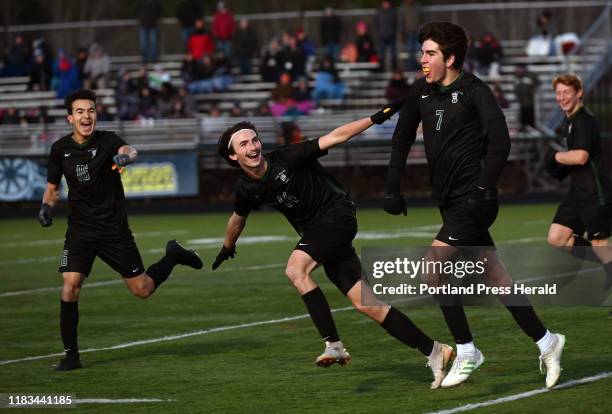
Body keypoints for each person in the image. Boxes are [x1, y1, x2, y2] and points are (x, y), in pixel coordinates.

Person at [211, 103, 456, 389]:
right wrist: (228, 247)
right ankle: (435, 351)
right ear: (233, 155)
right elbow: (237, 219)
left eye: (255, 139)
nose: (253, 146)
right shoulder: (245, 187)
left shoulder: (287, 156)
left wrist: (376, 118)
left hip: (337, 216)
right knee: (368, 305)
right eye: (244, 143)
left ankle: (334, 344)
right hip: (320, 234)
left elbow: (337, 136)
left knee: (295, 269)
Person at [383, 21, 565, 389]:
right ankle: (548, 341)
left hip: (477, 200)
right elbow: (401, 140)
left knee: (433, 270)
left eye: (430, 53)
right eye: (422, 52)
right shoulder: (420, 92)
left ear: (450, 58)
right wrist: (392, 187)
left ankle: (466, 351)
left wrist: (483, 185)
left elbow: (501, 143)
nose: (422, 59)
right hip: (449, 204)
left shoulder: (474, 91)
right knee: (496, 278)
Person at [38, 89, 203, 371]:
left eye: (90, 110)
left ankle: (173, 255)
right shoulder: (59, 149)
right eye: (80, 111)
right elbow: (52, 188)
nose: (86, 115)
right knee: (70, 286)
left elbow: (130, 150)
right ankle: (72, 356)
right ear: (70, 118)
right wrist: (46, 207)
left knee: (142, 289)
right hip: (79, 231)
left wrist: (126, 158)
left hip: (113, 230)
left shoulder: (108, 140)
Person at [545, 74, 612, 290]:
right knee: (557, 238)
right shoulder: (568, 120)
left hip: (595, 191)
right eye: (558, 93)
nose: (562, 97)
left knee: (599, 243)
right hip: (578, 192)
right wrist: (559, 168)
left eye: (567, 92)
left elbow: (580, 156)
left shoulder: (585, 120)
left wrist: (555, 157)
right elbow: (575, 158)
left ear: (579, 93)